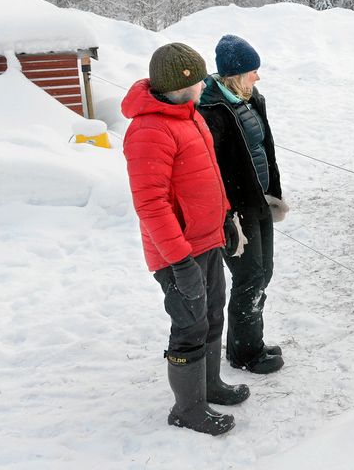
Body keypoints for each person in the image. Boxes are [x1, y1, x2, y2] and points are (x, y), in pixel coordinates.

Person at [122, 43, 250, 436]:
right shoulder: (149, 130)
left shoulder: (189, 116)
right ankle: (188, 409)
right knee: (189, 325)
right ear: (182, 84)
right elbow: (151, 205)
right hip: (177, 253)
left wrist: (225, 216)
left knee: (212, 313)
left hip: (207, 240)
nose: (205, 83)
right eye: (199, 78)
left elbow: (209, 176)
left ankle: (209, 386)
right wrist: (179, 261)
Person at [198, 35, 288, 374]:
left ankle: (247, 341)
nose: (257, 77)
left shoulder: (249, 100)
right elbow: (210, 170)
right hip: (236, 208)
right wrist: (226, 214)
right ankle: (246, 353)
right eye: (253, 71)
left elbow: (263, 148)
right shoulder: (212, 110)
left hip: (260, 200)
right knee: (249, 277)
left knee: (264, 273)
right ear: (236, 74)